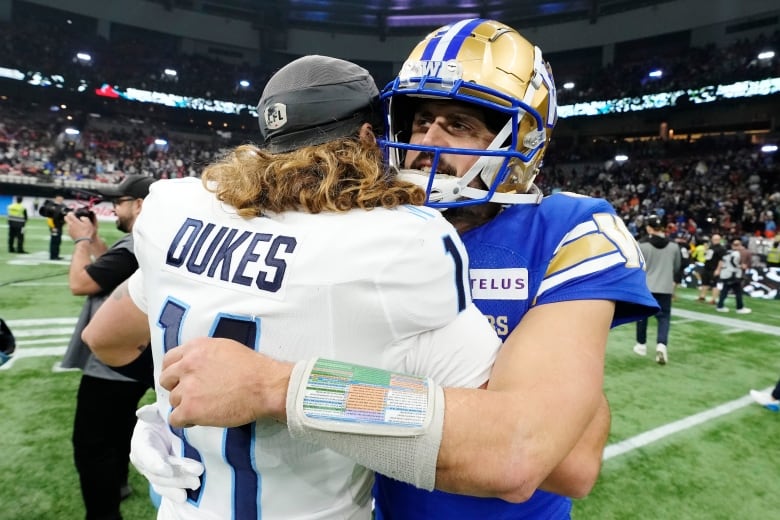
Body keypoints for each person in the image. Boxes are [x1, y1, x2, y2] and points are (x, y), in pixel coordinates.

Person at [112, 20, 659, 519]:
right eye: (420, 120)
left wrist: (279, 389)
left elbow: (563, 461)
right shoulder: (359, 225)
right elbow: (127, 333)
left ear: (522, 140)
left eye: (461, 125)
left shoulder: (572, 227)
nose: (427, 143)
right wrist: (176, 412)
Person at [82, 54, 502, 519]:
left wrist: (169, 406)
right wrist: (296, 394)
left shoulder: (175, 207)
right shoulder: (400, 239)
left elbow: (104, 340)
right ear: (367, 137)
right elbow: (491, 444)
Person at [60, 174, 156, 520]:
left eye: (119, 202)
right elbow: (109, 273)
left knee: (92, 445)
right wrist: (97, 241)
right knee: (117, 431)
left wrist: (81, 241)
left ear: (139, 205)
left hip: (111, 362)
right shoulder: (146, 244)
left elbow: (81, 283)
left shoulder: (136, 246)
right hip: (134, 356)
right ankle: (118, 484)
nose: (113, 208)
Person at [632, 215, 681, 365]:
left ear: (648, 228)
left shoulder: (642, 245)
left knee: (642, 316)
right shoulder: (674, 246)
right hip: (665, 287)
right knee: (664, 318)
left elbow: (636, 265)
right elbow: (677, 267)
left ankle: (641, 345)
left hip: (646, 286)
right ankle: (661, 345)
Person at [715, 239, 752, 314]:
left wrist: (719, 270)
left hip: (725, 274)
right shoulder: (736, 253)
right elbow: (734, 263)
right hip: (733, 274)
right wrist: (741, 266)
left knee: (724, 291)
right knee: (738, 292)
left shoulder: (727, 252)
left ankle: (720, 306)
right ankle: (739, 308)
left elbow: (722, 262)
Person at [698, 233, 725, 304]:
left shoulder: (721, 249)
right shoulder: (711, 247)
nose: (714, 240)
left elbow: (721, 260)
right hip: (707, 267)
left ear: (719, 240)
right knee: (704, 283)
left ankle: (713, 299)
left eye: (716, 239)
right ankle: (702, 296)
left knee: (714, 284)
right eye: (713, 239)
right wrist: (705, 251)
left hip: (714, 268)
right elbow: (707, 256)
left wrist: (718, 269)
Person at [47, 194, 66, 260]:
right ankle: (53, 256)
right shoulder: (52, 207)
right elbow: (49, 218)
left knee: (58, 241)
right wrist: (53, 227)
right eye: (59, 199)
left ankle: (56, 255)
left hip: (59, 226)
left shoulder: (62, 206)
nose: (60, 200)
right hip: (54, 227)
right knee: (54, 241)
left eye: (61, 199)